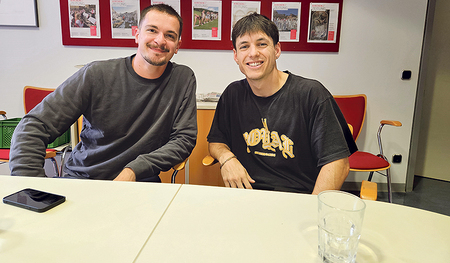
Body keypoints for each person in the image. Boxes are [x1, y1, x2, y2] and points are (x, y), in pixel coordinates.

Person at [9, 4, 197, 182]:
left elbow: (184, 139)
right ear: (137, 35)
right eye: (152, 30)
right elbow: (33, 126)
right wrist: (33, 190)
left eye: (170, 35)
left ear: (177, 45)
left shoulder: (182, 78)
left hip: (141, 183)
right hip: (85, 180)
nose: (160, 40)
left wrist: (135, 169)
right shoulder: (96, 74)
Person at [207, 13, 357, 194]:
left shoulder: (311, 94)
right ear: (236, 56)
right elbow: (216, 141)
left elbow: (338, 163)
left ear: (277, 50)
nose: (253, 53)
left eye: (262, 44)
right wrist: (227, 158)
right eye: (244, 46)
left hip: (297, 199)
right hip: (245, 198)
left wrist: (312, 209)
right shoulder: (232, 94)